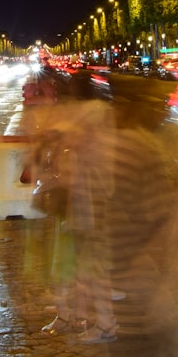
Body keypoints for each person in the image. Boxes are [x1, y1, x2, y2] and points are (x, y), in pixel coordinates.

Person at [32, 99, 118, 344]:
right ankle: (80, 317)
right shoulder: (97, 147)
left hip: (84, 219)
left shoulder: (88, 151)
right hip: (84, 218)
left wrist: (55, 176)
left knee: (79, 270)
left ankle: (95, 323)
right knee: (82, 271)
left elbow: (81, 185)